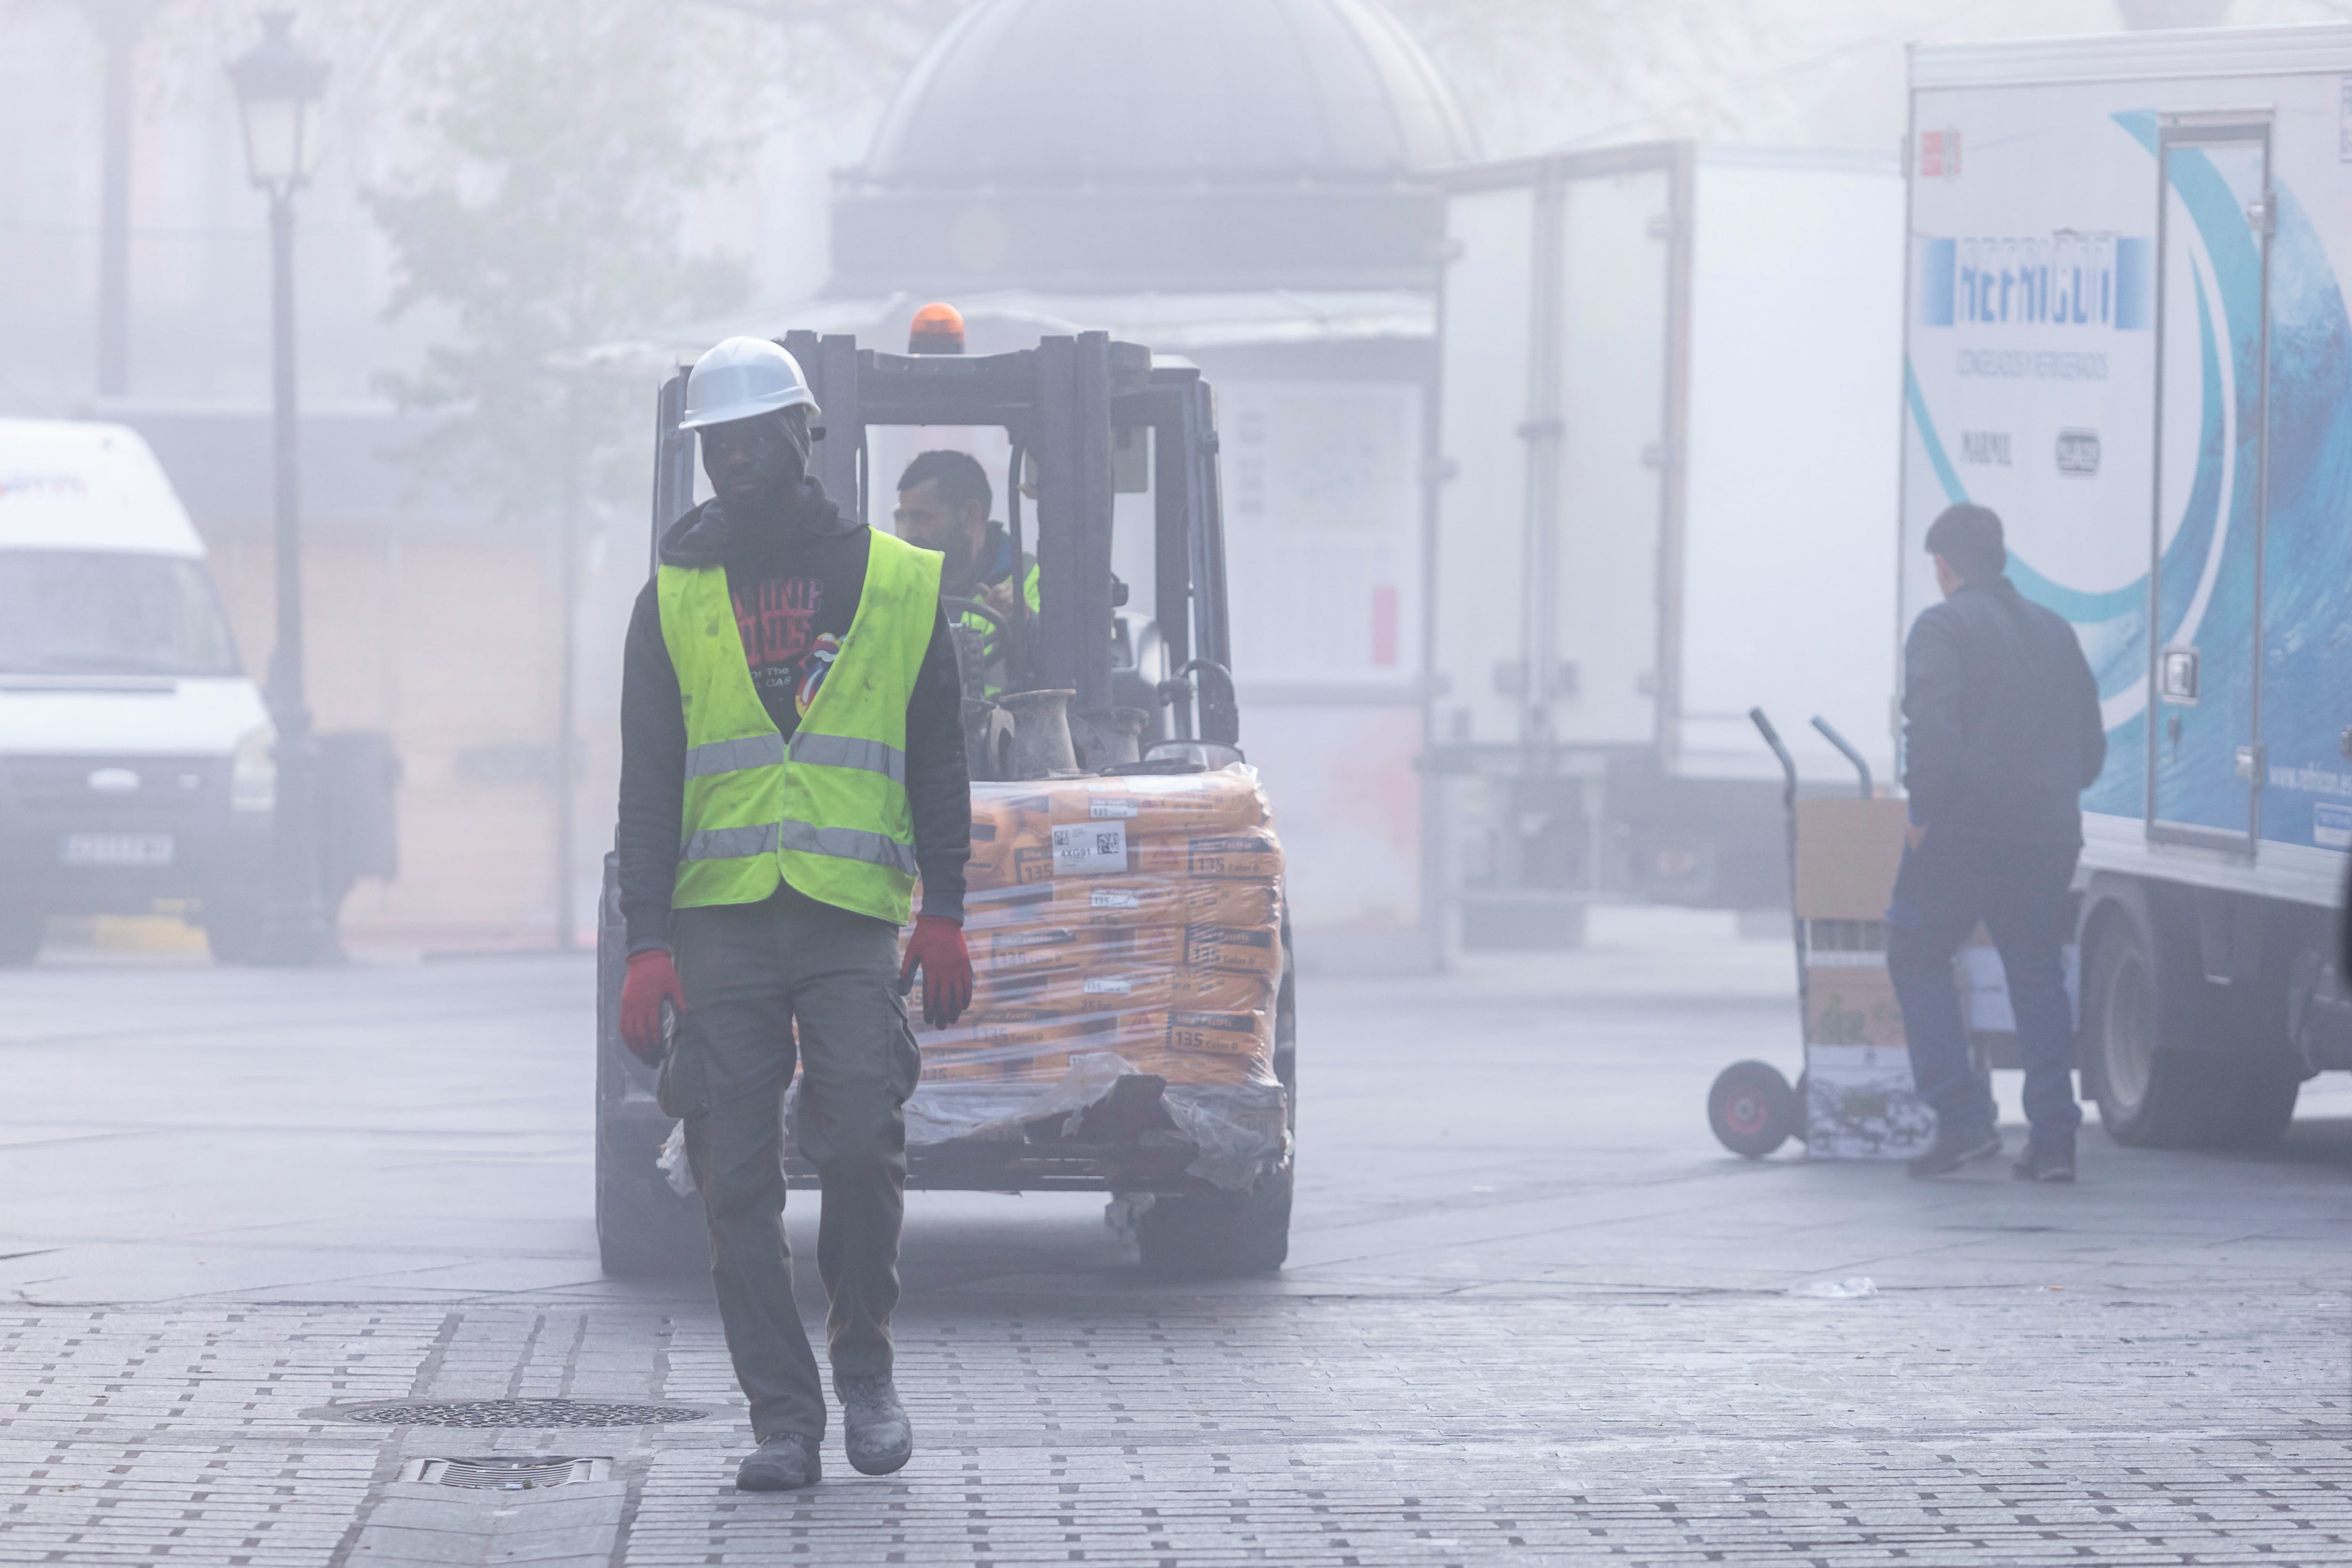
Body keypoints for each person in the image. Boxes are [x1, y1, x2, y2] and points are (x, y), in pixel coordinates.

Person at [612, 337, 975, 1491]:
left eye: (748, 442)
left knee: (862, 1138)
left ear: (798, 439)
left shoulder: (896, 580)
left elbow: (937, 759)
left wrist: (947, 911)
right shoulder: (670, 598)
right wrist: (647, 944)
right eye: (713, 447)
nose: (731, 464)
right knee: (731, 1179)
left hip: (845, 918)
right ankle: (785, 1418)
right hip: (718, 927)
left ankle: (864, 1369)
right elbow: (649, 780)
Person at [1890, 502, 2106, 1182]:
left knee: (1915, 949)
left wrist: (1924, 812)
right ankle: (2053, 1141)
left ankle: (1962, 1119)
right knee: (2035, 973)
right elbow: (2092, 751)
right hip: (2046, 837)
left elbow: (1930, 728)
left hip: (1965, 834)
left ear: (1945, 566)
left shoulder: (1942, 625)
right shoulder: (2055, 630)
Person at [891, 450, 1040, 690]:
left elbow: (1059, 674)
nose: (909, 534)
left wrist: (1026, 623)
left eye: (921, 518)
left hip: (1003, 725)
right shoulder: (895, 584)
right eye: (905, 518)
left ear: (971, 515)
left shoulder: (1032, 578)